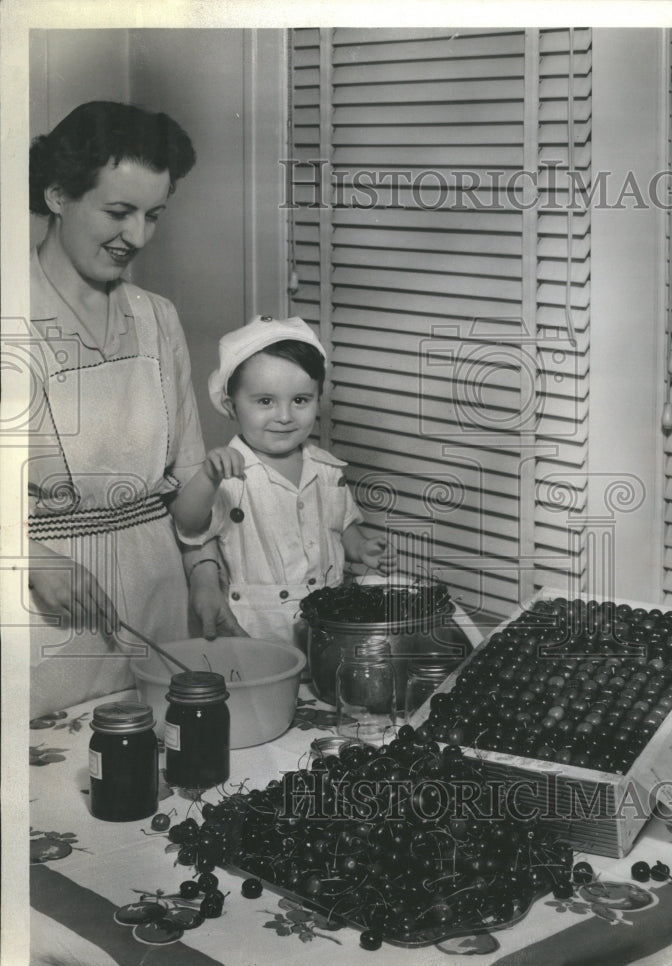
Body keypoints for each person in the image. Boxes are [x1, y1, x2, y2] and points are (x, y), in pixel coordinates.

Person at [25, 101, 244, 717]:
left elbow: (186, 475)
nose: (138, 237)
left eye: (154, 216)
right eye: (118, 213)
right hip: (45, 618)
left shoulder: (156, 318)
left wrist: (202, 571)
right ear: (59, 195)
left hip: (159, 604)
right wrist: (28, 556)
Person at [171, 315, 398, 647]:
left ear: (318, 399)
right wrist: (207, 477)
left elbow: (340, 525)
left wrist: (361, 547)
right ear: (230, 406)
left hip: (329, 623)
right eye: (265, 401)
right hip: (258, 631)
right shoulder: (228, 472)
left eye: (300, 400)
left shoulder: (326, 469)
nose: (284, 416)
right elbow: (188, 523)